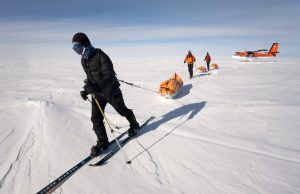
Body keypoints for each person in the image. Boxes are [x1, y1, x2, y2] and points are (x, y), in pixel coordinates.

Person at [72, 32, 140, 157]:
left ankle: (134, 124)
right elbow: (89, 78)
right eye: (76, 50)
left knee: (122, 111)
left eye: (80, 48)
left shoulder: (101, 56)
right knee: (96, 118)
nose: (79, 52)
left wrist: (96, 86)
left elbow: (109, 77)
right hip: (98, 94)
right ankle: (103, 142)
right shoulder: (84, 60)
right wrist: (86, 90)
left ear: (86, 45)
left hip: (111, 91)